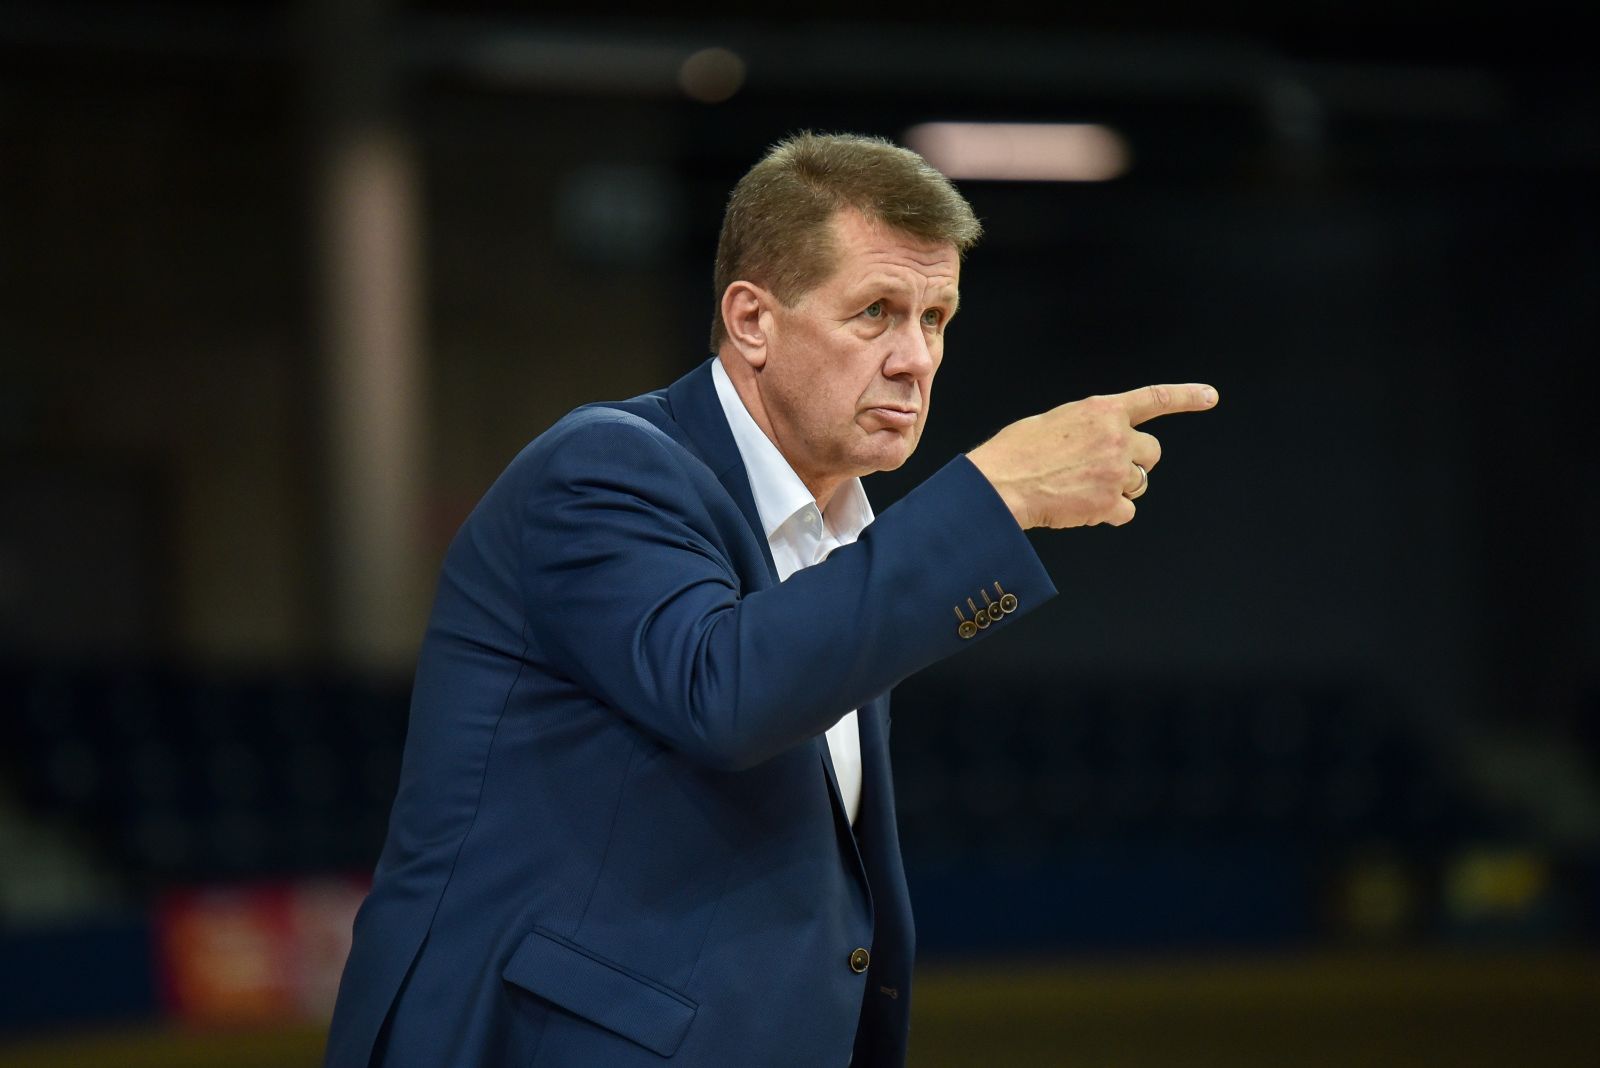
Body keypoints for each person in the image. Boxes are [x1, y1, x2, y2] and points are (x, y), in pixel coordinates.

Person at [324, 131, 1218, 1068]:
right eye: (875, 313)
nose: (916, 358)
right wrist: (994, 500)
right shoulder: (603, 470)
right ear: (752, 320)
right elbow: (725, 692)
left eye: (936, 318)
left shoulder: (841, 543)